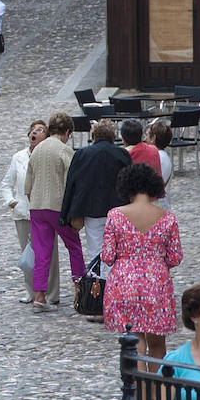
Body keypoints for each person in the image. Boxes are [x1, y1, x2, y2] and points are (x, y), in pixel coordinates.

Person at [101, 164, 182, 365]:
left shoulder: (115, 216)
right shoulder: (168, 219)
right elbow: (175, 257)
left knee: (134, 342)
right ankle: (157, 393)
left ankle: (137, 392)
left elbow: (108, 256)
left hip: (124, 283)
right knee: (157, 345)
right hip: (157, 284)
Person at [23, 112, 83, 312]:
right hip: (57, 207)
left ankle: (39, 296)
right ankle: (81, 292)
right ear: (67, 132)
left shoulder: (37, 150)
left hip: (37, 207)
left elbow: (28, 184)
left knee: (42, 253)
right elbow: (72, 183)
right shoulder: (65, 151)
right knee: (74, 247)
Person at [60, 119, 131, 282]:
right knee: (118, 251)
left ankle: (99, 289)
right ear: (113, 135)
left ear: (94, 135)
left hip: (92, 210)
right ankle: (116, 286)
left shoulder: (82, 154)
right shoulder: (121, 154)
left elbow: (71, 183)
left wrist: (67, 214)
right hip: (118, 210)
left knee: (95, 252)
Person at [0, 119, 59, 304]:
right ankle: (32, 291)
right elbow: (6, 183)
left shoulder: (51, 157)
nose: (34, 133)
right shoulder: (18, 157)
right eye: (32, 130)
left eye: (40, 130)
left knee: (50, 253)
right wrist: (11, 201)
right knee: (28, 254)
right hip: (23, 212)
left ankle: (52, 292)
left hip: (45, 210)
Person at [147, 120, 174, 189]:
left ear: (153, 138)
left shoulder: (158, 158)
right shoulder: (164, 157)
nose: (145, 139)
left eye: (146, 135)